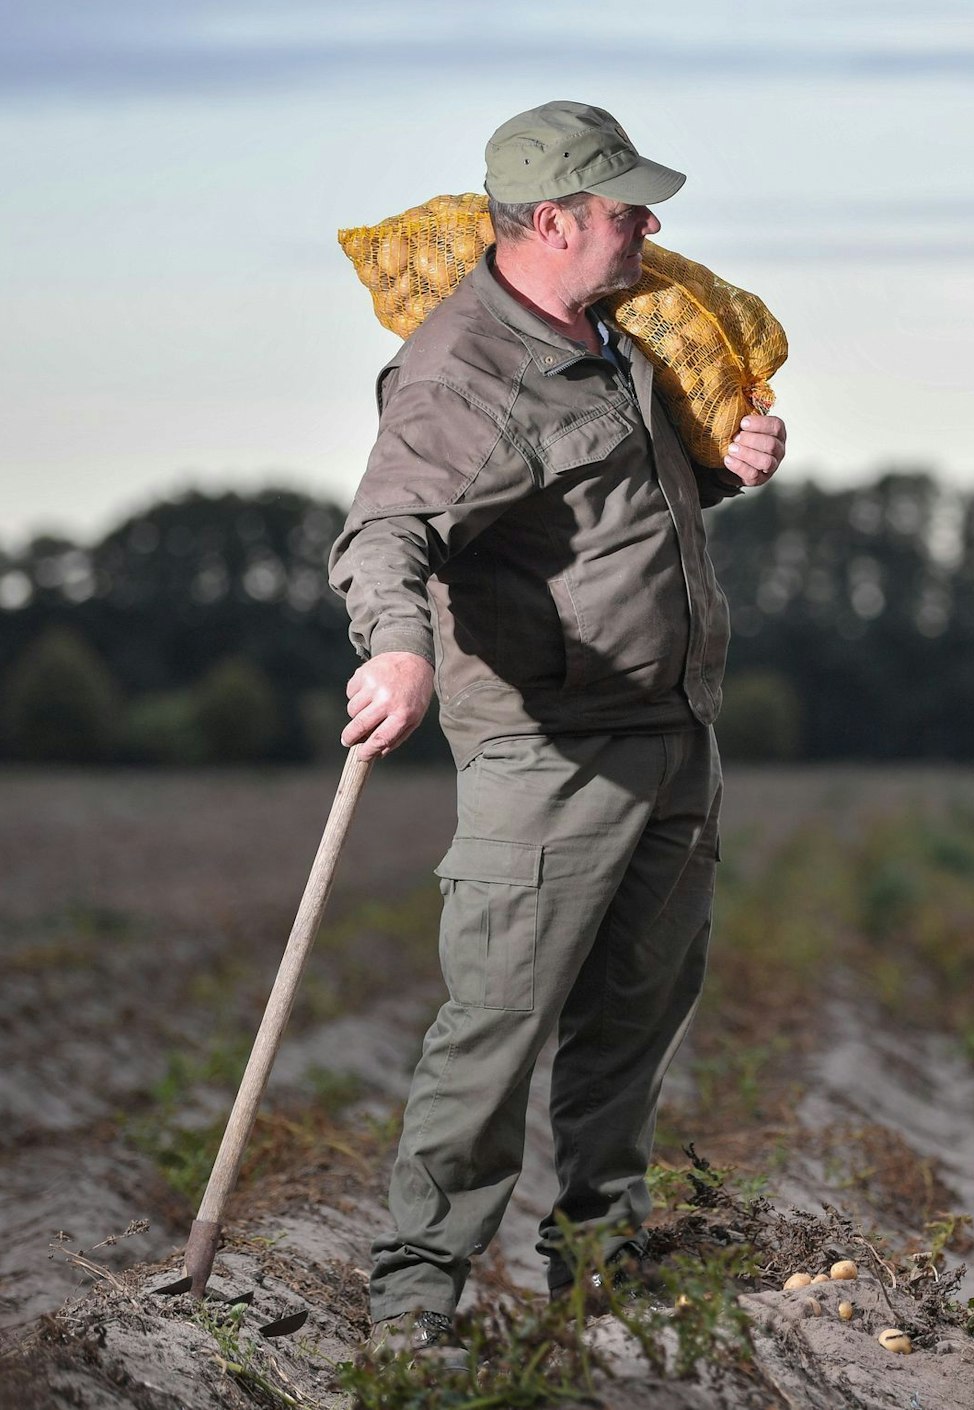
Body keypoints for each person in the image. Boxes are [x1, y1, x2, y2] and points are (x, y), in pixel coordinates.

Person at [329, 100, 787, 1366]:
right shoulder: (461, 373)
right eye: (626, 209)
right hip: (550, 750)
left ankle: (602, 1269)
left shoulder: (611, 338)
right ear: (552, 220)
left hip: (671, 731)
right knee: (495, 1029)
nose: (648, 228)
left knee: (633, 1019)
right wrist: (399, 649)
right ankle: (416, 1300)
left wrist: (725, 467)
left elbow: (611, 509)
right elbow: (386, 531)